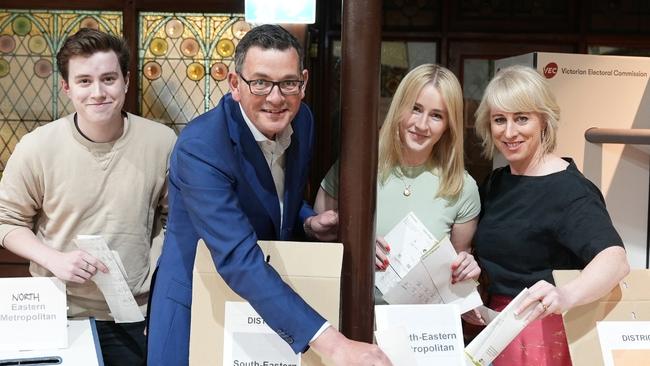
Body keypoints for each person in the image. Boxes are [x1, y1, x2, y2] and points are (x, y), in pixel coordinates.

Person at [146, 24, 390, 366]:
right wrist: (335, 345)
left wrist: (307, 222)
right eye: (260, 82)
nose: (276, 98)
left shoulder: (302, 120)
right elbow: (236, 256)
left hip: (267, 303)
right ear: (235, 84)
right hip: (197, 304)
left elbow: (274, 197)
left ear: (303, 83)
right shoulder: (201, 146)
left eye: (288, 83)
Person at [0, 28, 176, 365]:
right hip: (56, 313)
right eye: (84, 81)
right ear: (66, 87)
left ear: (126, 80)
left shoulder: (162, 142)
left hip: (137, 315)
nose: (98, 92)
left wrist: (158, 278)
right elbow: (5, 220)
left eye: (109, 78)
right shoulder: (37, 146)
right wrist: (54, 259)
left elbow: (177, 220)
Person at [472, 65, 630, 365]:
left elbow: (615, 259)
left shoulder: (569, 190)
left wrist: (566, 296)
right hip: (494, 331)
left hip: (543, 340)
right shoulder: (497, 182)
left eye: (521, 118)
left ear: (544, 120)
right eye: (499, 120)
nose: (509, 132)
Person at [315, 64, 482, 297]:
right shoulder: (355, 167)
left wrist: (468, 270)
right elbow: (317, 239)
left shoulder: (461, 186)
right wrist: (354, 244)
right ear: (398, 108)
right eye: (415, 108)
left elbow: (456, 279)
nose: (422, 125)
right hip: (352, 317)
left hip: (421, 326)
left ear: (448, 125)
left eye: (436, 115)